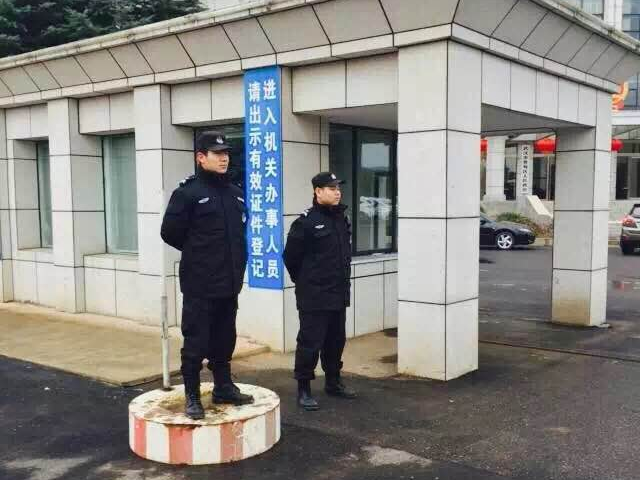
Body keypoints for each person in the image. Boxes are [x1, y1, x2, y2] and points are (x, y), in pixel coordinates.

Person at [161, 131, 253, 420]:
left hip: (229, 282)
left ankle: (223, 387)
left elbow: (238, 234)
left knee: (225, 338)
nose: (224, 158)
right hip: (200, 284)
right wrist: (200, 254)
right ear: (201, 157)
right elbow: (170, 233)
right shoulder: (187, 194)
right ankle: (192, 394)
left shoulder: (236, 193)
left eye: (226, 153)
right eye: (217, 153)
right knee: (196, 341)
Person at [283, 172, 357, 411]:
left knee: (336, 341)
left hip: (338, 294)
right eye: (331, 188)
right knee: (310, 343)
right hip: (314, 296)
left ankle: (333, 382)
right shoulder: (306, 222)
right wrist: (306, 282)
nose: (337, 192)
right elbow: (290, 258)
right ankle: (304, 389)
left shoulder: (341, 219)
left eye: (338, 188)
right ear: (317, 191)